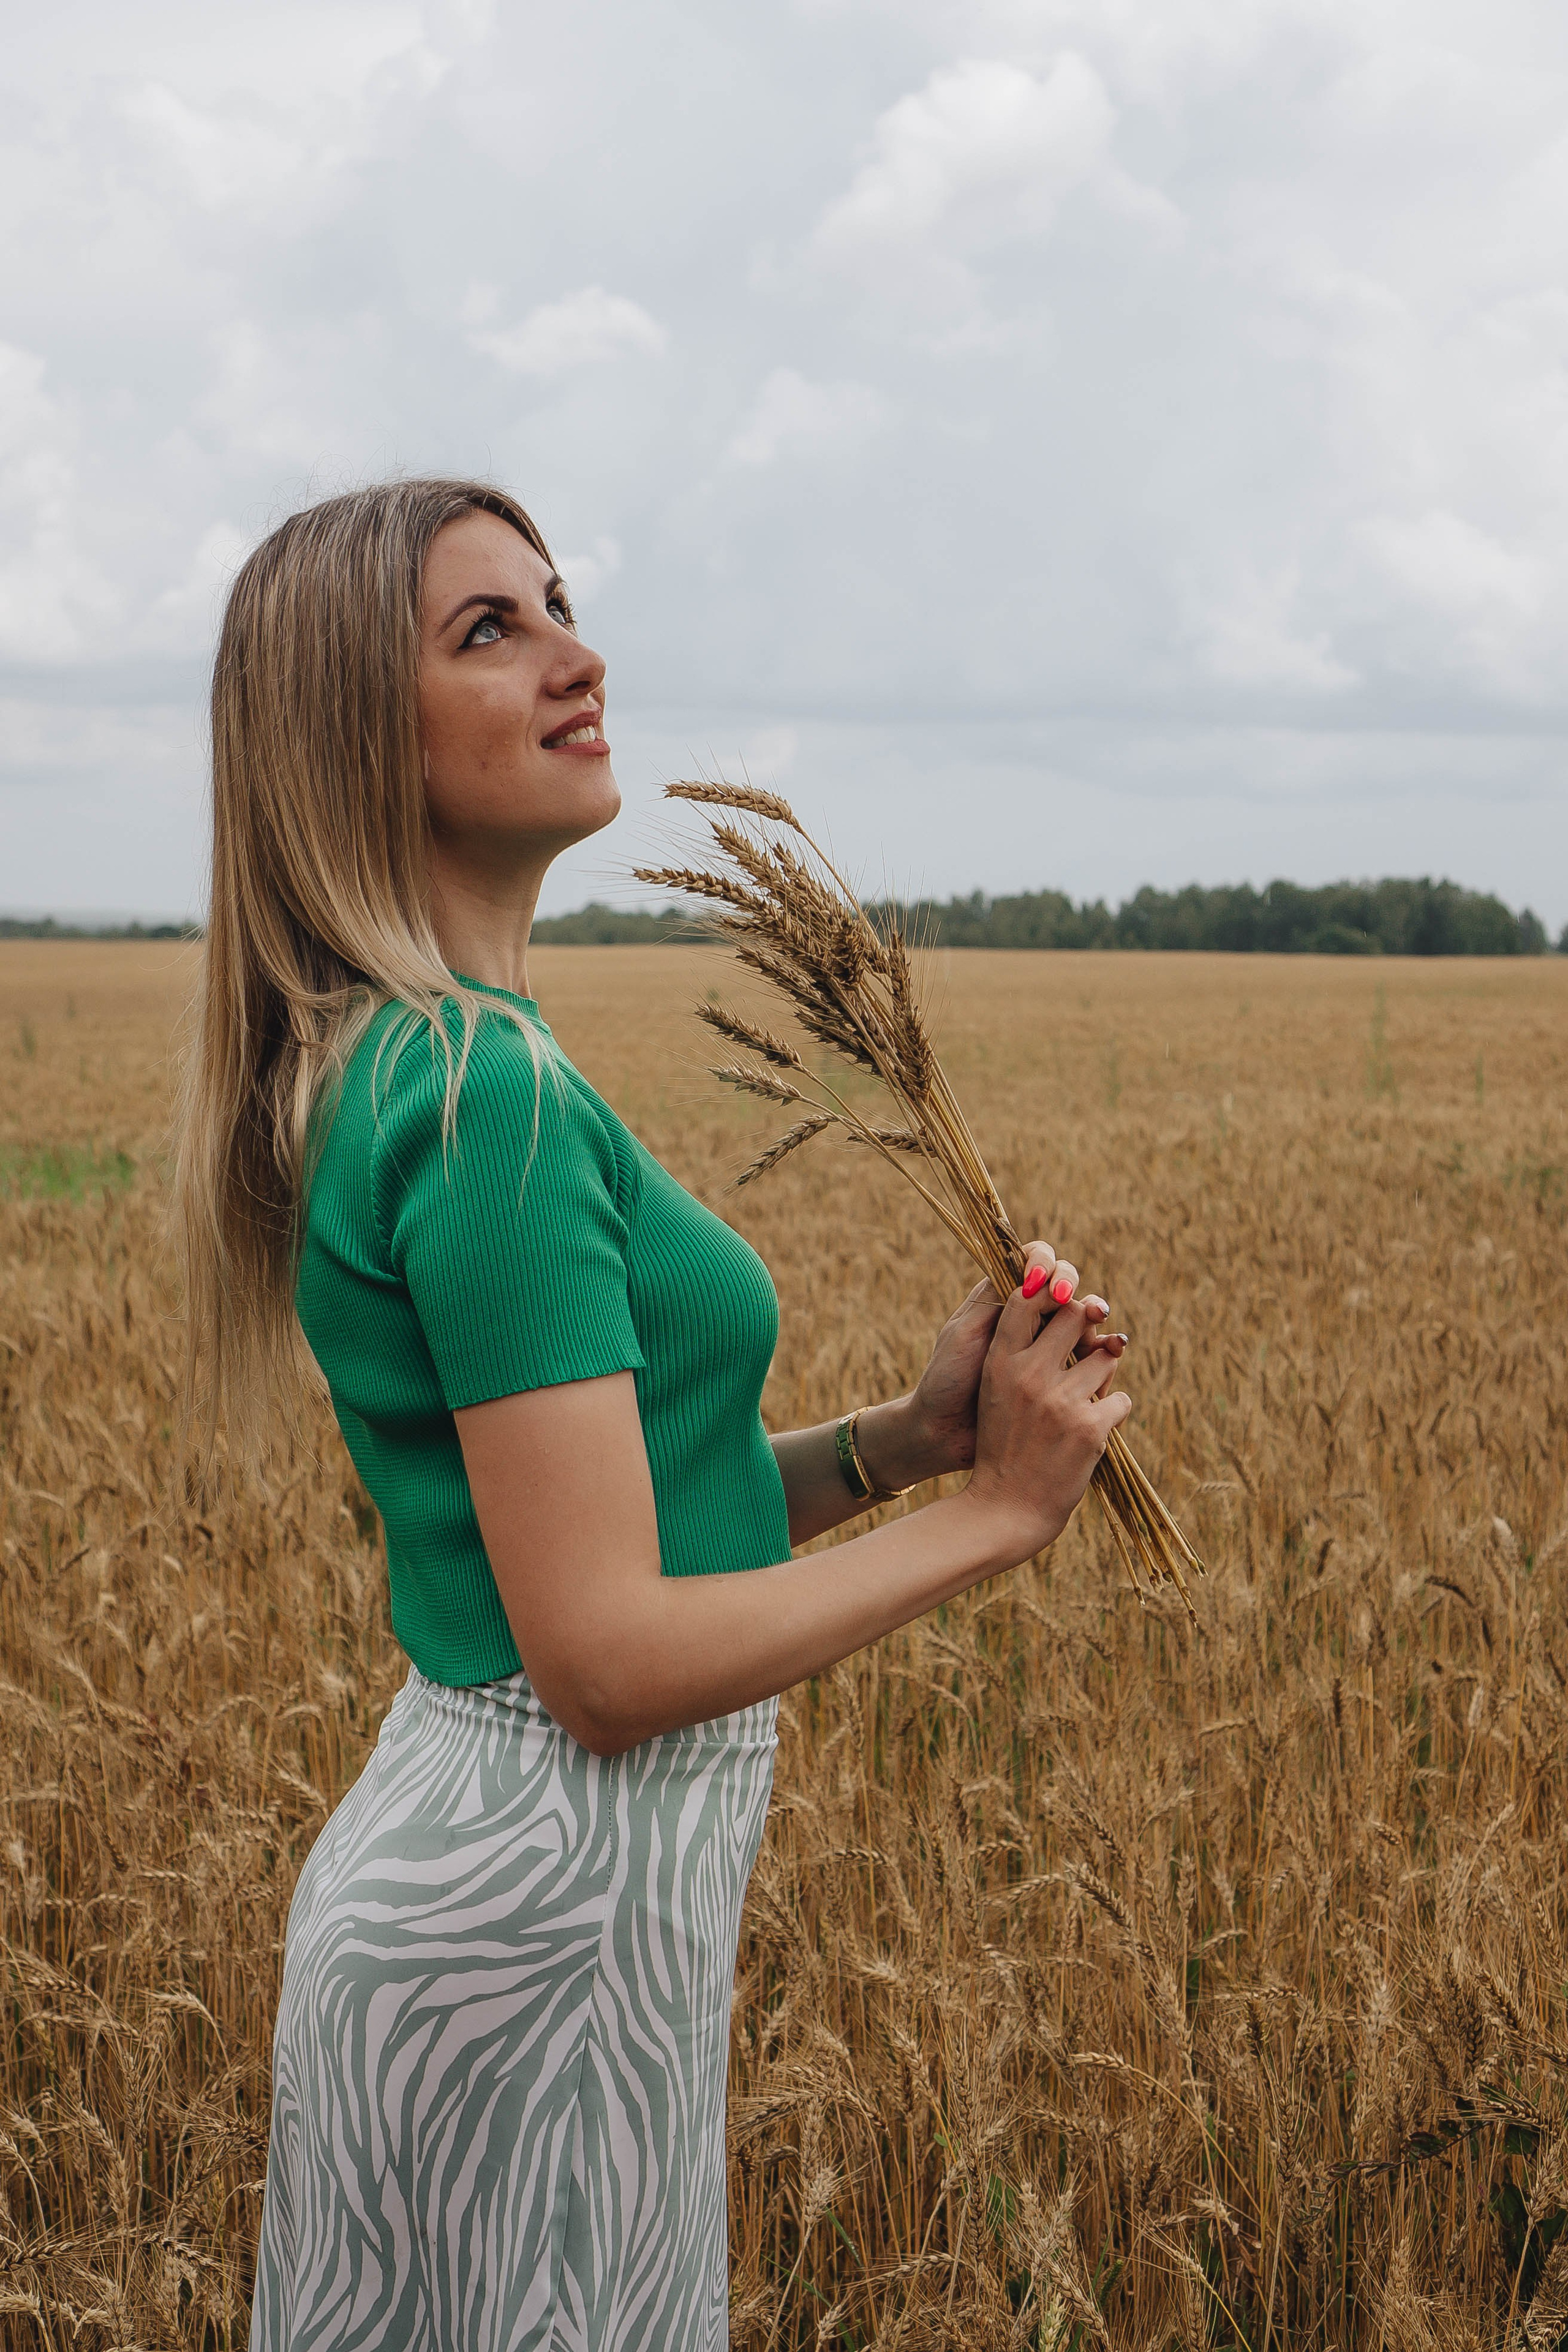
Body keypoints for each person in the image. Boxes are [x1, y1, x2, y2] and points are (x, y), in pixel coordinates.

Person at [175, 478, 1133, 2352]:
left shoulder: (424, 1059)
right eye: (489, 630)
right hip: (535, 1927)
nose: (575, 653)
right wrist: (1001, 1520)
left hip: (522, 1900)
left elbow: (616, 1520)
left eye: (557, 603)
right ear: (343, 739)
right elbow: (605, 1655)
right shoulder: (486, 1092)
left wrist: (902, 1448)